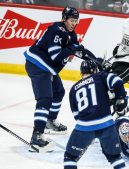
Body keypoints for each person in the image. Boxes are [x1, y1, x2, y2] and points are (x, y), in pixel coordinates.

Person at [24, 7, 90, 152]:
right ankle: (37, 137)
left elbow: (78, 49)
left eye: (76, 21)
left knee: (59, 92)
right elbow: (55, 55)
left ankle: (49, 121)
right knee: (45, 99)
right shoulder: (57, 30)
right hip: (37, 65)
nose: (74, 23)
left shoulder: (71, 34)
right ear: (64, 19)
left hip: (48, 68)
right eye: (71, 20)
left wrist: (95, 60)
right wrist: (71, 50)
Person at [65, 60, 128, 169]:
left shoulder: (73, 89)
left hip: (84, 128)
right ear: (95, 70)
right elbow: (117, 81)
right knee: (115, 158)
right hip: (107, 125)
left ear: (81, 73)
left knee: (70, 157)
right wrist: (120, 98)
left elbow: (76, 115)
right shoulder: (100, 76)